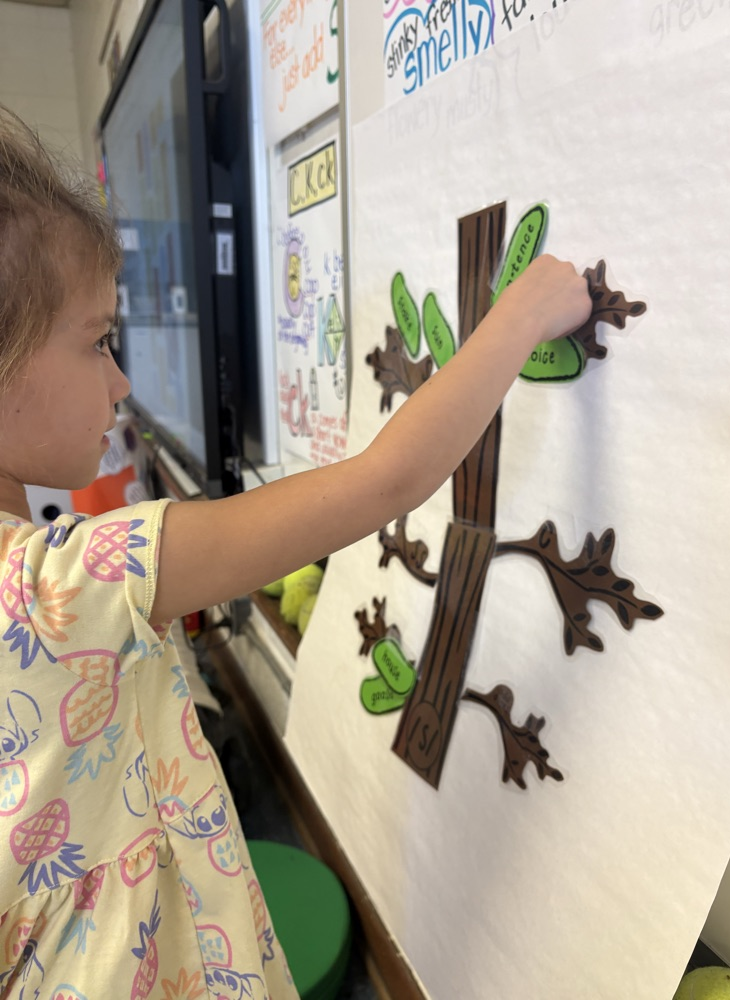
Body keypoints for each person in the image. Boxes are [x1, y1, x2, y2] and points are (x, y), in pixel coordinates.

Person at [0, 104, 591, 998]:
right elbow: (386, 481)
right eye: (96, 341)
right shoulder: (69, 579)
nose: (119, 381)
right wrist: (519, 317)